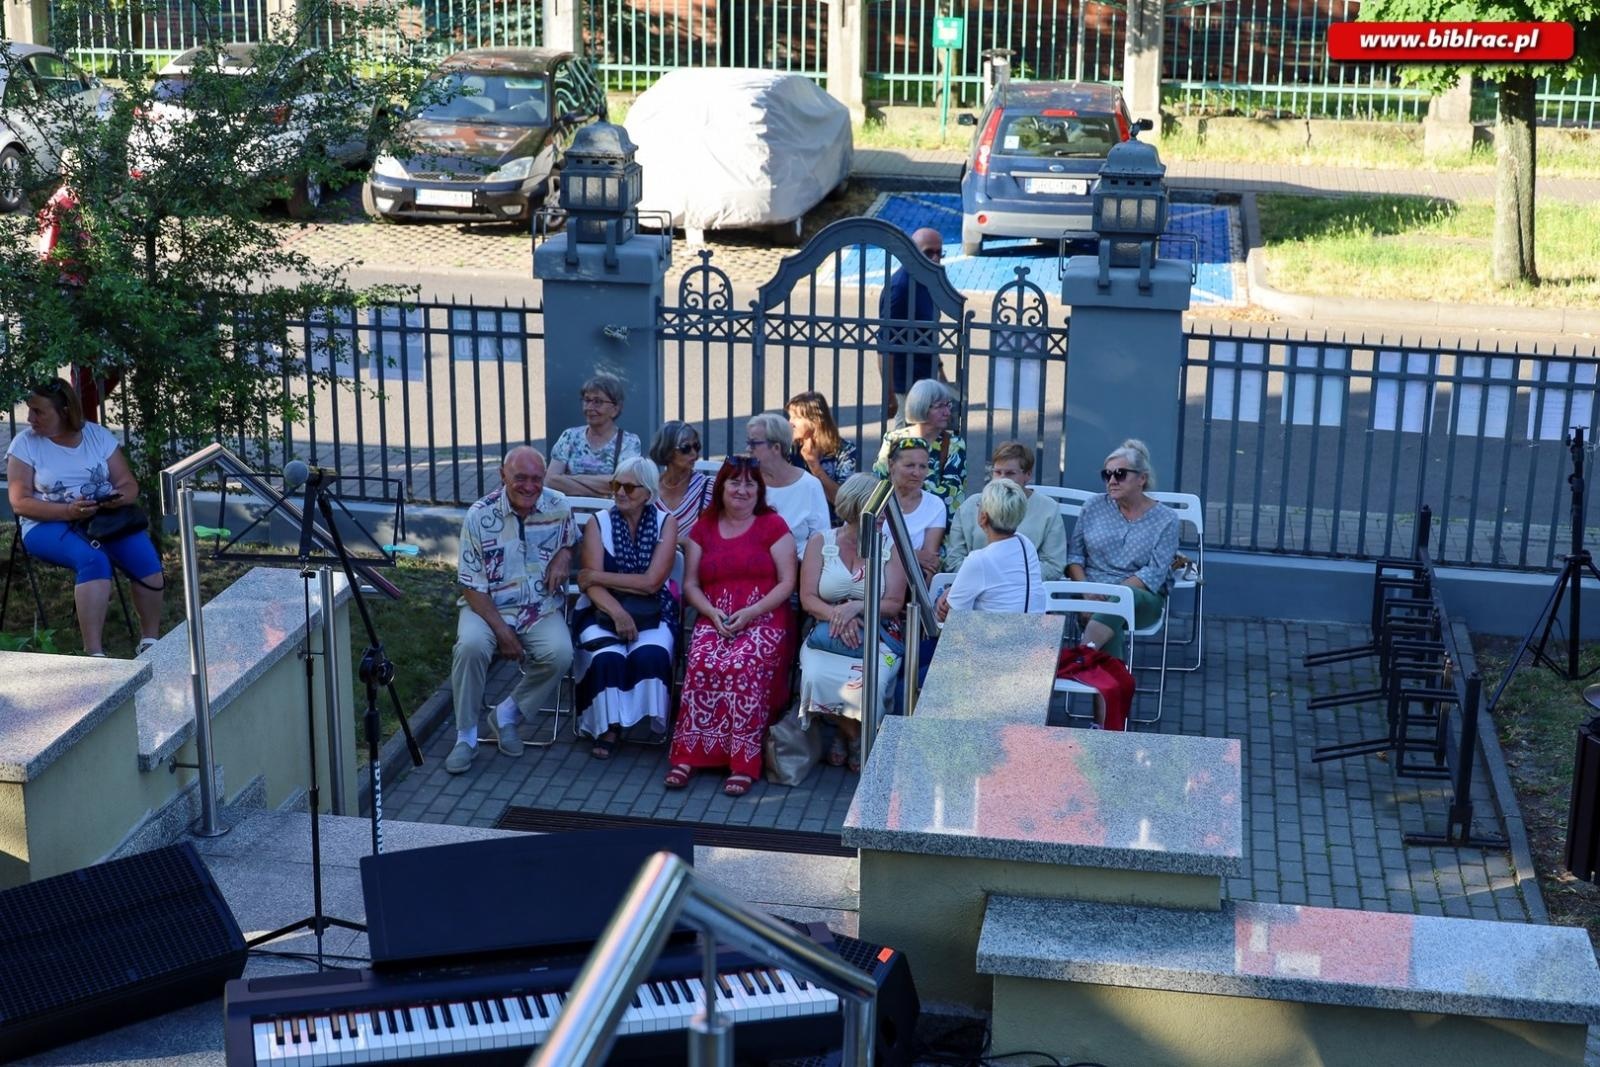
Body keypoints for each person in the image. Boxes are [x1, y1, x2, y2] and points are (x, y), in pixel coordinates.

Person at [665, 457, 798, 797]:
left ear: (759, 490)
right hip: (715, 616)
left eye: (750, 483)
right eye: (734, 482)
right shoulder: (704, 527)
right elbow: (691, 584)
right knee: (702, 662)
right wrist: (710, 613)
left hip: (764, 617)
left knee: (742, 666)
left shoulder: (773, 526)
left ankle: (743, 762)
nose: (742, 490)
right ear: (721, 486)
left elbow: (787, 583)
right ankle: (688, 755)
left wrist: (752, 612)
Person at [5, 378, 164, 657]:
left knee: (145, 557)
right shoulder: (25, 444)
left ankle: (150, 642)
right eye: (29, 410)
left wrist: (118, 498)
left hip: (102, 518)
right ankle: (94, 654)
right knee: (93, 559)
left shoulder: (97, 436)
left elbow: (128, 484)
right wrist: (68, 511)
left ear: (65, 411)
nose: (30, 418)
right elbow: (20, 503)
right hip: (46, 523)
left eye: (38, 411)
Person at [446, 446, 577, 775]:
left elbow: (571, 540)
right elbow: (471, 586)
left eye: (536, 478)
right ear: (502, 476)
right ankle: (466, 738)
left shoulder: (559, 506)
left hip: (538, 605)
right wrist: (502, 632)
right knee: (471, 647)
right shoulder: (480, 515)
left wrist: (565, 555)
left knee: (561, 653)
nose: (529, 486)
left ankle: (506, 714)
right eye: (520, 478)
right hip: (486, 605)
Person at [798, 474, 906, 772]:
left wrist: (856, 607)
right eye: (879, 508)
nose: (885, 514)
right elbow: (808, 598)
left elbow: (894, 603)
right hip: (827, 629)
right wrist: (839, 616)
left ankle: (847, 735)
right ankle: (854, 736)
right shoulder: (821, 542)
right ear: (858, 507)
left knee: (871, 683)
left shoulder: (892, 546)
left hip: (879, 630)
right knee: (816, 676)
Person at [573, 457, 679, 759]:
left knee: (651, 654)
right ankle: (609, 725)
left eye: (629, 488)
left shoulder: (666, 523)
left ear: (648, 493)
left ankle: (642, 716)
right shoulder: (598, 523)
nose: (620, 492)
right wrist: (618, 612)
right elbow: (590, 588)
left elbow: (652, 583)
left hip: (653, 609)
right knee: (607, 657)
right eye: (616, 484)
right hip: (600, 607)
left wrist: (598, 576)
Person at [1065, 438, 1180, 663]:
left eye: (1120, 474)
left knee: (1122, 600)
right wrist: (1086, 593)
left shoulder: (1167, 519)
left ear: (1142, 479)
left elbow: (1153, 573)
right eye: (1107, 475)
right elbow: (1075, 557)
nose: (1112, 481)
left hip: (1141, 599)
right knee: (1111, 622)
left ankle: (1080, 659)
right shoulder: (1093, 506)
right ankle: (1108, 684)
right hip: (1092, 594)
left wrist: (1110, 596)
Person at [945, 442, 1067, 580]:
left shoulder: (1048, 509)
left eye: (1010, 473)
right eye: (997, 472)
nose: (1002, 479)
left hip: (1023, 587)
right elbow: (954, 560)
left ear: (1028, 474)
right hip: (975, 584)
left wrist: (1008, 579)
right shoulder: (970, 506)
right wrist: (986, 578)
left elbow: (1053, 565)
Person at [936, 479, 1047, 620]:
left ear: (983, 517)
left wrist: (949, 596)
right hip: (1033, 631)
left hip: (997, 633)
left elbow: (952, 617)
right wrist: (955, 590)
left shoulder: (978, 560)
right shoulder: (1025, 544)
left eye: (979, 505)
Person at [877, 227, 945, 423]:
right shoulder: (900, 288)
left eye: (939, 253)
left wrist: (941, 373)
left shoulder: (929, 281)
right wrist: (889, 394)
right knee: (906, 438)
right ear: (912, 253)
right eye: (928, 252)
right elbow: (886, 346)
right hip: (906, 388)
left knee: (926, 437)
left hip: (927, 381)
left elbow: (928, 334)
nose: (935, 258)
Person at [874, 378, 967, 513]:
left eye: (948, 405)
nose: (947, 412)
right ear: (921, 407)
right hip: (896, 517)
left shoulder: (954, 445)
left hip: (934, 519)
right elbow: (878, 484)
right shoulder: (893, 440)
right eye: (940, 406)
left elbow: (952, 496)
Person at [745, 412, 829, 558]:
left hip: (799, 564)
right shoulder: (745, 481)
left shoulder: (809, 485)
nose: (748, 449)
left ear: (776, 448)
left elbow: (822, 538)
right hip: (750, 561)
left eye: (754, 443)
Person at [546, 373, 642, 497]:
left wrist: (571, 478)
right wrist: (603, 490)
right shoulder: (569, 436)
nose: (589, 407)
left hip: (609, 510)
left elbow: (623, 483)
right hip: (570, 509)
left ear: (615, 409)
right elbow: (551, 481)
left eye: (598, 402)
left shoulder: (629, 442)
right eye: (587, 400)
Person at [882, 437, 947, 581]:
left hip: (909, 583)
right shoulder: (874, 500)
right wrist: (914, 555)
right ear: (891, 465)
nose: (917, 473)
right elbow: (860, 548)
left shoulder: (935, 505)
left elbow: (930, 563)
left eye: (923, 466)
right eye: (909, 465)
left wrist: (888, 553)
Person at [786, 391, 857, 514]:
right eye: (790, 417)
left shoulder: (845, 451)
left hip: (832, 522)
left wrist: (815, 466)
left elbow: (842, 502)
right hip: (796, 519)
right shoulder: (789, 448)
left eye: (796, 417)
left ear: (815, 421)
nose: (790, 423)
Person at [649, 420, 710, 532]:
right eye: (685, 448)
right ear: (667, 450)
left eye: (696, 446)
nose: (694, 454)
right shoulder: (650, 490)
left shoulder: (707, 488)